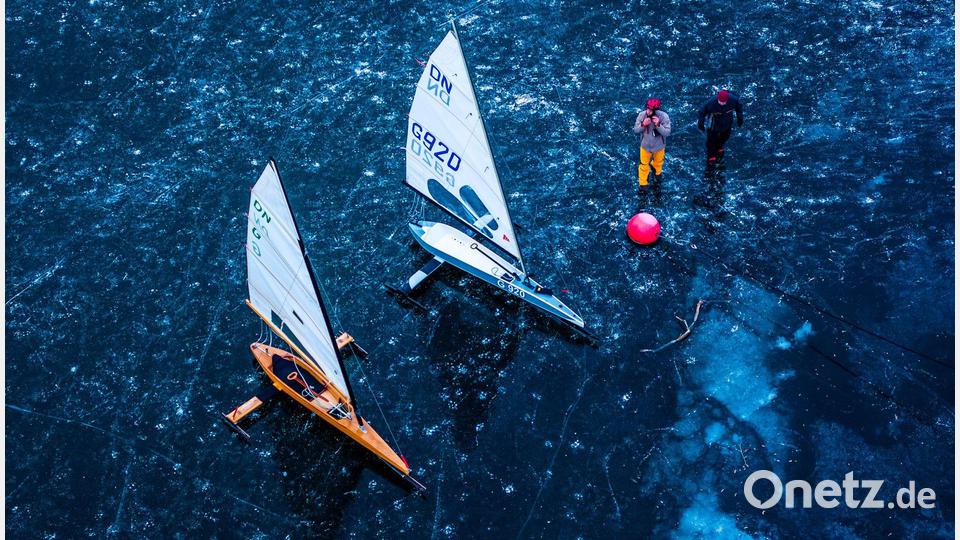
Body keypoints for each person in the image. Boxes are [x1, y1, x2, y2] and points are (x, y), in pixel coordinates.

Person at [632, 98, 671, 189]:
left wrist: (658, 125)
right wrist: (643, 125)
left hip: (659, 146)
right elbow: (636, 130)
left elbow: (667, 133)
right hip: (645, 147)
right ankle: (643, 183)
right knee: (643, 165)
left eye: (651, 110)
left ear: (656, 110)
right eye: (647, 109)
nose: (648, 112)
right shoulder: (642, 115)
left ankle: (657, 173)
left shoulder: (664, 117)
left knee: (659, 162)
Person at [698, 89, 743, 162]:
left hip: (727, 122)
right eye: (720, 102)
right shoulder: (711, 102)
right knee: (711, 141)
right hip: (714, 124)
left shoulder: (733, 100)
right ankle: (711, 155)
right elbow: (701, 112)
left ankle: (719, 146)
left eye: (724, 102)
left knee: (725, 136)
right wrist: (701, 124)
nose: (722, 103)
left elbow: (739, 108)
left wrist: (740, 119)